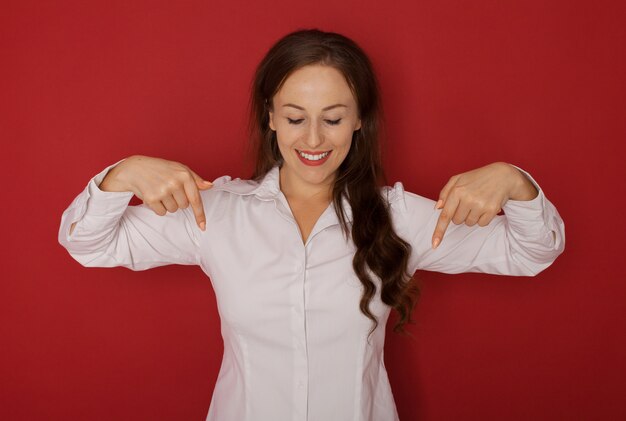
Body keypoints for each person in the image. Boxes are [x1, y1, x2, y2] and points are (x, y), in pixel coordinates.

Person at [58, 29, 565, 421]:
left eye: (334, 117)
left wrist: (514, 181)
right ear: (270, 117)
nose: (314, 137)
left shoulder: (401, 217)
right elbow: (88, 243)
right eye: (296, 117)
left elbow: (531, 251)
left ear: (360, 118)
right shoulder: (215, 213)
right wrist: (119, 175)